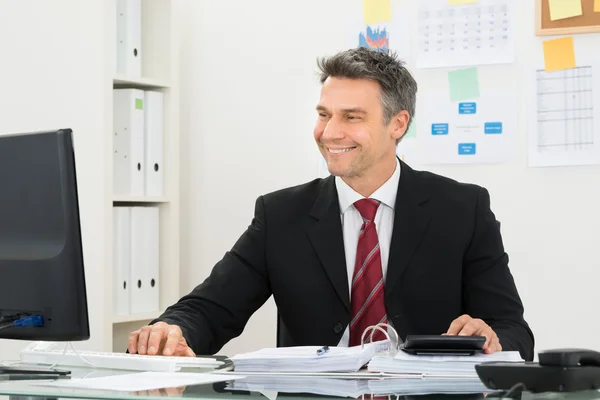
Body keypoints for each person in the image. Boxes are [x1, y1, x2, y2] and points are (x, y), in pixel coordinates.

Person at [128, 47, 534, 361]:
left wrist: (492, 337)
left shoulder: (462, 208)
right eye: (324, 115)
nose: (330, 132)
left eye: (352, 117)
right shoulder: (280, 215)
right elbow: (209, 309)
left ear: (398, 124)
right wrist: (174, 330)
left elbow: (514, 331)